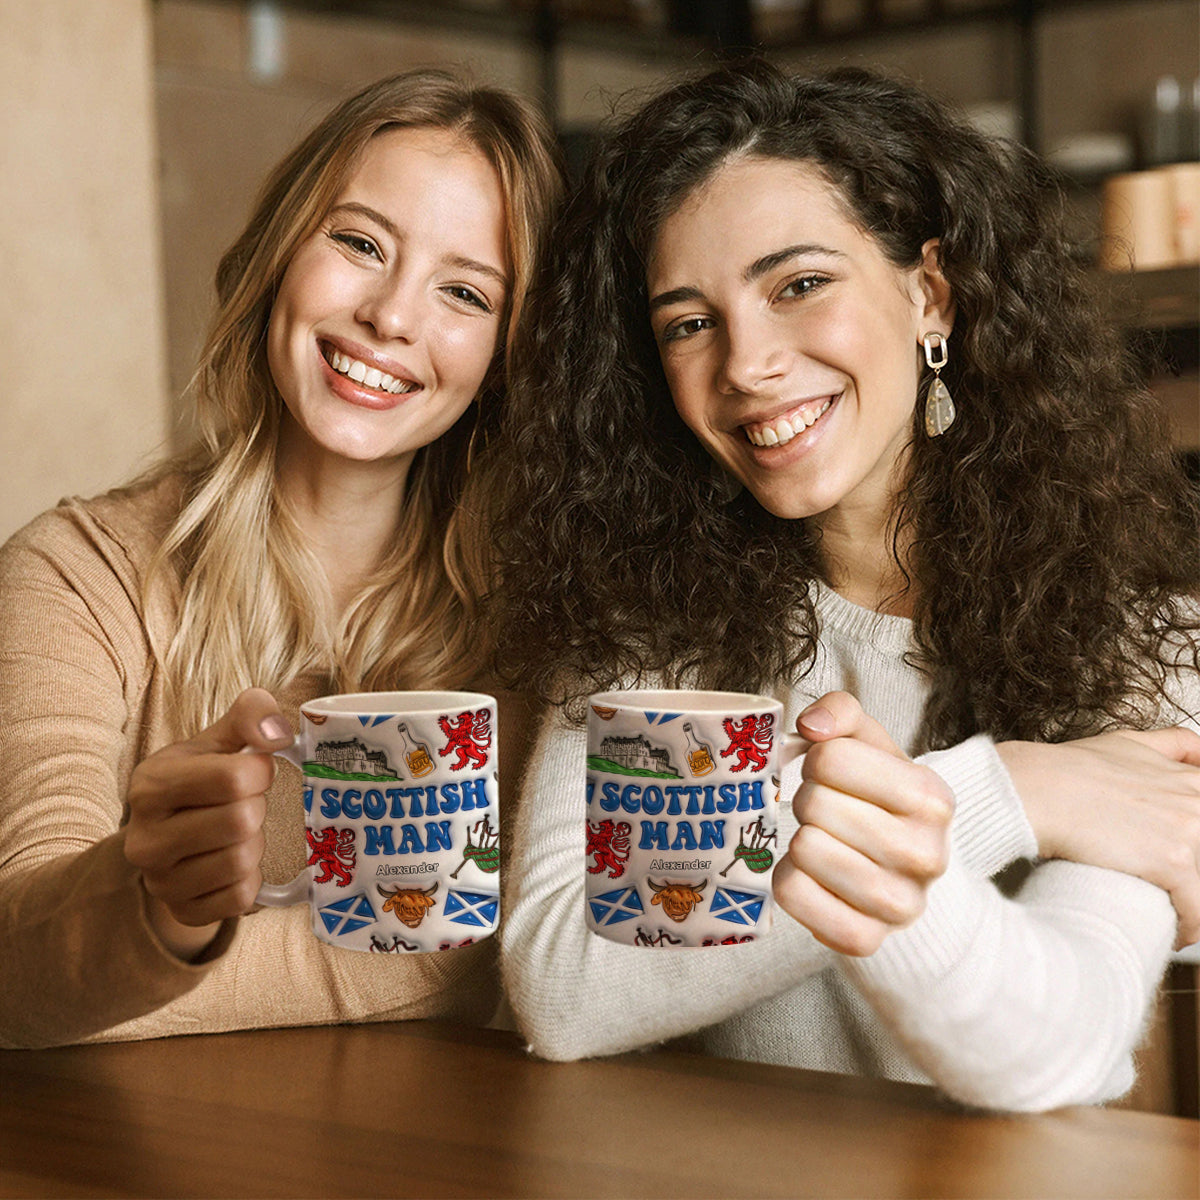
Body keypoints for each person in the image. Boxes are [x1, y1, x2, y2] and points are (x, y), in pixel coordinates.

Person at [489, 60, 1200, 1111]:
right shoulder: (645, 629)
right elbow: (562, 988)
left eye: (799, 285)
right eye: (689, 322)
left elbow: (1055, 1045)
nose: (746, 363)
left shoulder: (1144, 636)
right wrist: (1005, 793)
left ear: (930, 295)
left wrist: (907, 811)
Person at [0, 68, 563, 1048]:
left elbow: (501, 947)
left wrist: (143, 972)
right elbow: (18, 967)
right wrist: (158, 911)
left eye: (465, 292)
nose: (391, 315)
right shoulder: (75, 575)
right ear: (279, 256)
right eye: (359, 243)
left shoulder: (538, 621)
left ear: (508, 355)